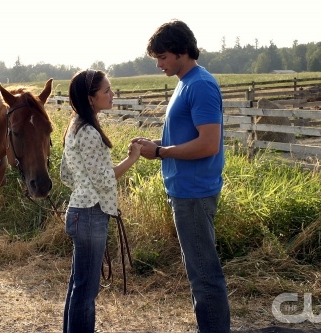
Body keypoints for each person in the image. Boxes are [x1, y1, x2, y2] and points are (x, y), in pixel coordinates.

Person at [133, 20, 231, 332]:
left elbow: (208, 144)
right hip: (186, 190)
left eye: (162, 57)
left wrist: (161, 153)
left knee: (204, 274)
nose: (159, 64)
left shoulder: (199, 85)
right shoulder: (186, 82)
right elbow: (189, 136)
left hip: (194, 192)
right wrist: (157, 145)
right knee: (200, 272)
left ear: (181, 51)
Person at [60, 69, 142, 333]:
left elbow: (66, 174)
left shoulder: (74, 127)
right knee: (86, 290)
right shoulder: (90, 132)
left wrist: (85, 189)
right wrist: (132, 158)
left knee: (79, 285)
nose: (112, 94)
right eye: (106, 90)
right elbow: (105, 180)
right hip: (90, 214)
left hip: (79, 210)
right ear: (91, 98)